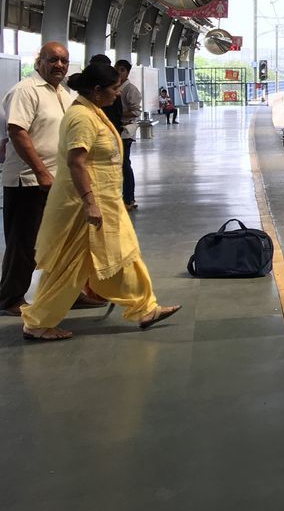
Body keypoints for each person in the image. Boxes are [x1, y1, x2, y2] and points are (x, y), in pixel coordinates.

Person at [19, 62, 180, 340]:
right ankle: (36, 322)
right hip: (83, 207)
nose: (117, 94)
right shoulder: (82, 117)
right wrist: (90, 202)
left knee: (123, 253)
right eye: (114, 89)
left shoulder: (93, 111)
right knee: (69, 265)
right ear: (96, 91)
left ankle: (145, 307)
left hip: (105, 202)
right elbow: (76, 162)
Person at [0, 42, 80, 316]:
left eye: (64, 61)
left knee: (62, 240)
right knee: (26, 242)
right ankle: (10, 297)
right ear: (39, 62)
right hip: (29, 182)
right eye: (53, 60)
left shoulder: (63, 93)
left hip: (58, 180)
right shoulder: (26, 90)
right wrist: (41, 172)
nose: (59, 65)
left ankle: (68, 292)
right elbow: (17, 131)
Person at [117, 60, 142, 207]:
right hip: (116, 129)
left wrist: (117, 113)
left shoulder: (130, 89)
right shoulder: (115, 88)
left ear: (127, 72)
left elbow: (135, 111)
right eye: (117, 70)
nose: (119, 73)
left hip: (126, 131)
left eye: (122, 70)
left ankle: (129, 198)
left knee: (125, 164)